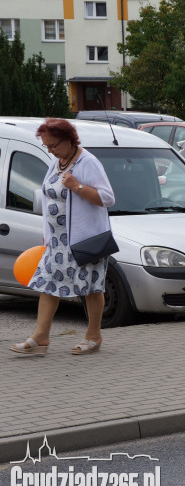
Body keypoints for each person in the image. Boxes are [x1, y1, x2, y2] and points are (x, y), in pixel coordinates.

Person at [11, 118, 115, 356]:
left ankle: (93, 336)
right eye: (47, 146)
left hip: (84, 239)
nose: (50, 150)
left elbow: (107, 198)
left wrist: (77, 186)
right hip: (57, 241)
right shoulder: (56, 160)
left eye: (53, 145)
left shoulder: (88, 162)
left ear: (69, 140)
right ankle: (41, 337)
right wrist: (47, 235)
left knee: (90, 288)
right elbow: (49, 199)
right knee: (47, 284)